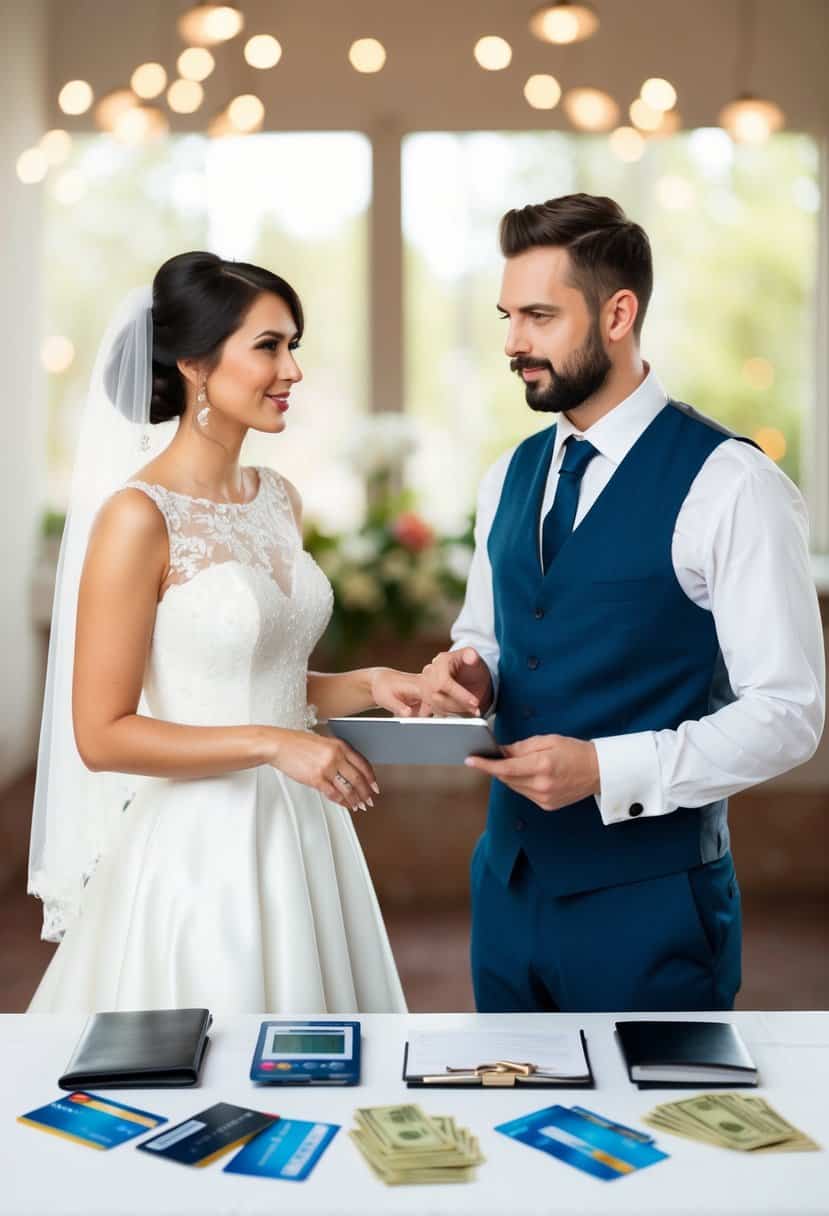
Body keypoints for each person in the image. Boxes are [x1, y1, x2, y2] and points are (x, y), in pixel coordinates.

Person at [420, 193, 825, 1013]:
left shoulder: (731, 483)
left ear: (617, 312)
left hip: (651, 905)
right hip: (507, 890)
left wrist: (607, 769)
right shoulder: (506, 474)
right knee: (504, 1129)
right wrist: (472, 675)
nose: (511, 343)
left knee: (663, 1140)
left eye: (537, 316)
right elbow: (492, 636)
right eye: (505, 316)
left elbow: (787, 713)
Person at [28, 252, 424, 1013]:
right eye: (269, 346)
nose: (292, 371)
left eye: (294, 345)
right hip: (199, 849)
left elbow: (250, 677)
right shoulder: (136, 517)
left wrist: (373, 684)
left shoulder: (277, 498)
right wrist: (275, 744)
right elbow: (102, 734)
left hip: (304, 835)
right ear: (196, 366)